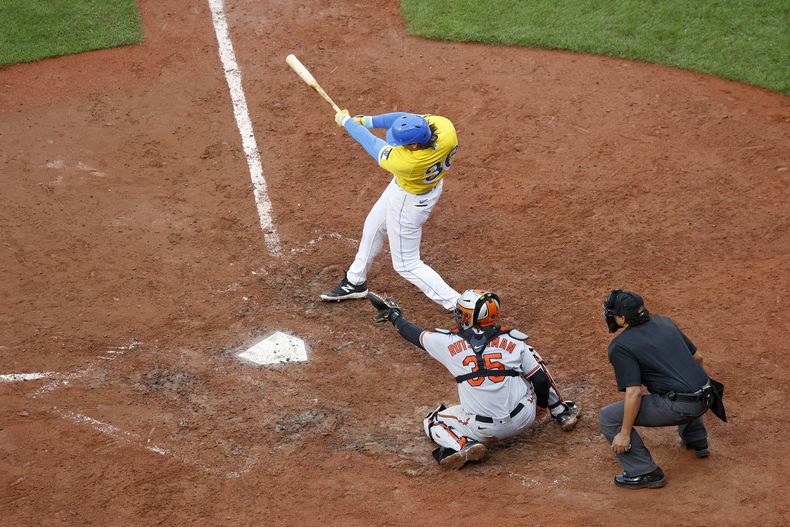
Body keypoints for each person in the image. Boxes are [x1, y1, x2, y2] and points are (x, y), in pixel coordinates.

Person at [368, 289, 582, 470]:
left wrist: (393, 316)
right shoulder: (513, 341)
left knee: (433, 420)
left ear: (470, 318)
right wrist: (541, 407)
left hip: (484, 430)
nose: (459, 315)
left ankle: (464, 444)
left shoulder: (447, 343)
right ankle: (562, 411)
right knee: (532, 360)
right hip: (524, 417)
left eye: (462, 313)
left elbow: (414, 335)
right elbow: (541, 381)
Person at [320, 109, 460, 311]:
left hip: (409, 201)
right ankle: (355, 281)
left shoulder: (407, 163)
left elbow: (371, 143)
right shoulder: (444, 126)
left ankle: (459, 305)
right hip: (422, 186)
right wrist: (367, 121)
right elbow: (404, 119)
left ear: (413, 145)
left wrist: (347, 122)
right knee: (373, 225)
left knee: (407, 264)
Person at [599, 289, 726, 489]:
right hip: (709, 396)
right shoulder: (664, 322)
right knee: (681, 384)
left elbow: (634, 393)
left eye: (612, 312)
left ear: (622, 318)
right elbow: (698, 358)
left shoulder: (621, 346)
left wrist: (624, 433)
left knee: (609, 417)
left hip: (683, 407)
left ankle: (644, 472)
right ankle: (697, 440)